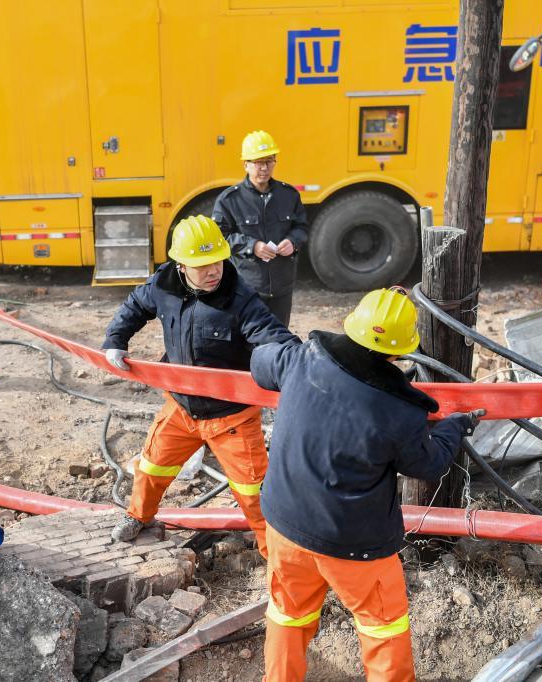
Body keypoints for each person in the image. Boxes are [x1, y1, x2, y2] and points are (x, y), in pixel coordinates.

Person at [250, 287, 484, 682]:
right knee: (383, 628)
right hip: (353, 544)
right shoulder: (399, 410)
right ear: (401, 352)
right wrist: (454, 428)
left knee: (288, 616)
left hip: (285, 526)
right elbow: (427, 464)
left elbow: (260, 362)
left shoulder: (302, 359)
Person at [103, 215, 298, 555]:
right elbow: (135, 305)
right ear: (180, 266)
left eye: (218, 262)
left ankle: (279, 556)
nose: (214, 271)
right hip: (181, 407)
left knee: (255, 492)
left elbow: (274, 337)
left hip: (232, 417)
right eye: (202, 265)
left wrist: (298, 363)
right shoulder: (163, 285)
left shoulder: (240, 300)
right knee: (151, 466)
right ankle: (139, 516)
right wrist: (115, 339)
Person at [212, 130, 308, 326]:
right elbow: (219, 237)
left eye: (269, 161)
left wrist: (293, 242)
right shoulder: (230, 200)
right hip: (248, 287)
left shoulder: (289, 195)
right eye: (258, 162)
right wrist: (251, 246)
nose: (264, 168)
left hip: (282, 287)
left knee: (279, 338)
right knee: (247, 340)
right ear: (246, 164)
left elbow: (301, 227)